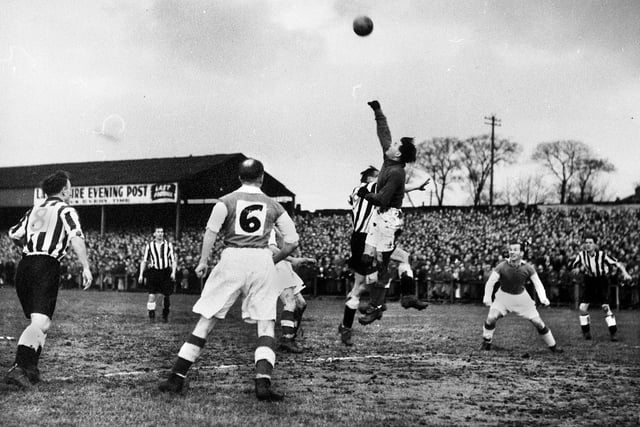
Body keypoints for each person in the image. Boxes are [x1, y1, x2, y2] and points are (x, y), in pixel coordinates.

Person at [158, 158, 299, 401]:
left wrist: (203, 261)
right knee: (265, 324)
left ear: (239, 178)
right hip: (261, 260)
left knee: (207, 319)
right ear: (262, 177)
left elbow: (211, 232)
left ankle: (176, 378)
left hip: (232, 258)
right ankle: (263, 384)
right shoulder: (274, 205)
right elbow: (292, 241)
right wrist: (274, 259)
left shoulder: (226, 201)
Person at [4, 170, 93, 389]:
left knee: (41, 323)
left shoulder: (35, 209)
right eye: (70, 188)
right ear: (64, 190)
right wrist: (86, 267)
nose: (71, 191)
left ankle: (31, 369)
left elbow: (14, 233)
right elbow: (76, 239)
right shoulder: (66, 209)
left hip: (25, 266)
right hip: (46, 266)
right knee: (40, 323)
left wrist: (29, 250)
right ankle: (19, 368)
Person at [338, 166, 428, 346]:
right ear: (371, 178)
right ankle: (371, 309)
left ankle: (405, 296)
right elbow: (396, 188)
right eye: (379, 177)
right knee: (364, 283)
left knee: (403, 258)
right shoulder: (368, 188)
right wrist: (417, 186)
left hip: (370, 237)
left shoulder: (357, 192)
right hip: (365, 239)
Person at [356, 100, 419, 326]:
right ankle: (378, 300)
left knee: (382, 263)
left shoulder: (396, 173)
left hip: (389, 218)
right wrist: (378, 112)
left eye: (394, 145)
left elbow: (381, 199)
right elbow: (384, 133)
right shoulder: (388, 159)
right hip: (380, 216)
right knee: (367, 258)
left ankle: (377, 307)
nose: (389, 145)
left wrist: (365, 194)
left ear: (398, 154)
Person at [481, 241, 562, 353]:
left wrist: (543, 298)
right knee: (491, 318)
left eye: (515, 250)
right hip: (503, 297)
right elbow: (490, 282)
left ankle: (553, 346)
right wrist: (487, 298)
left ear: (522, 253)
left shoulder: (528, 268)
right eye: (510, 250)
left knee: (538, 322)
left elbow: (537, 283)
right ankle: (486, 342)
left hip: (521, 298)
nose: (512, 252)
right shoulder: (501, 266)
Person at [570, 234, 632, 341]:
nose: (588, 245)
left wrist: (625, 273)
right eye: (586, 243)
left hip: (601, 281)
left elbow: (617, 263)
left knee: (605, 308)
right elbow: (575, 265)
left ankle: (613, 333)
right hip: (589, 281)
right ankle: (586, 333)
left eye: (590, 243)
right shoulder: (581, 255)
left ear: (595, 245)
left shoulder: (602, 255)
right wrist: (576, 269)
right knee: (582, 308)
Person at [270, 228, 315, 353]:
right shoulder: (266, 223)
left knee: (301, 304)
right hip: (276, 264)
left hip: (284, 264)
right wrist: (292, 259)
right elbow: (272, 249)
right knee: (290, 302)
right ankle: (287, 339)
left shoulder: (275, 224)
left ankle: (290, 336)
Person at [138, 227, 177, 323]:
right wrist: (141, 274)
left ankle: (165, 313)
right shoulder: (150, 246)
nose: (160, 233)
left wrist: (173, 272)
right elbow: (144, 261)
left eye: (162, 232)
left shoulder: (168, 245)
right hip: (154, 272)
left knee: (166, 296)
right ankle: (151, 315)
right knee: (151, 295)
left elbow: (173, 260)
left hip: (165, 272)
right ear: (154, 234)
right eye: (158, 232)